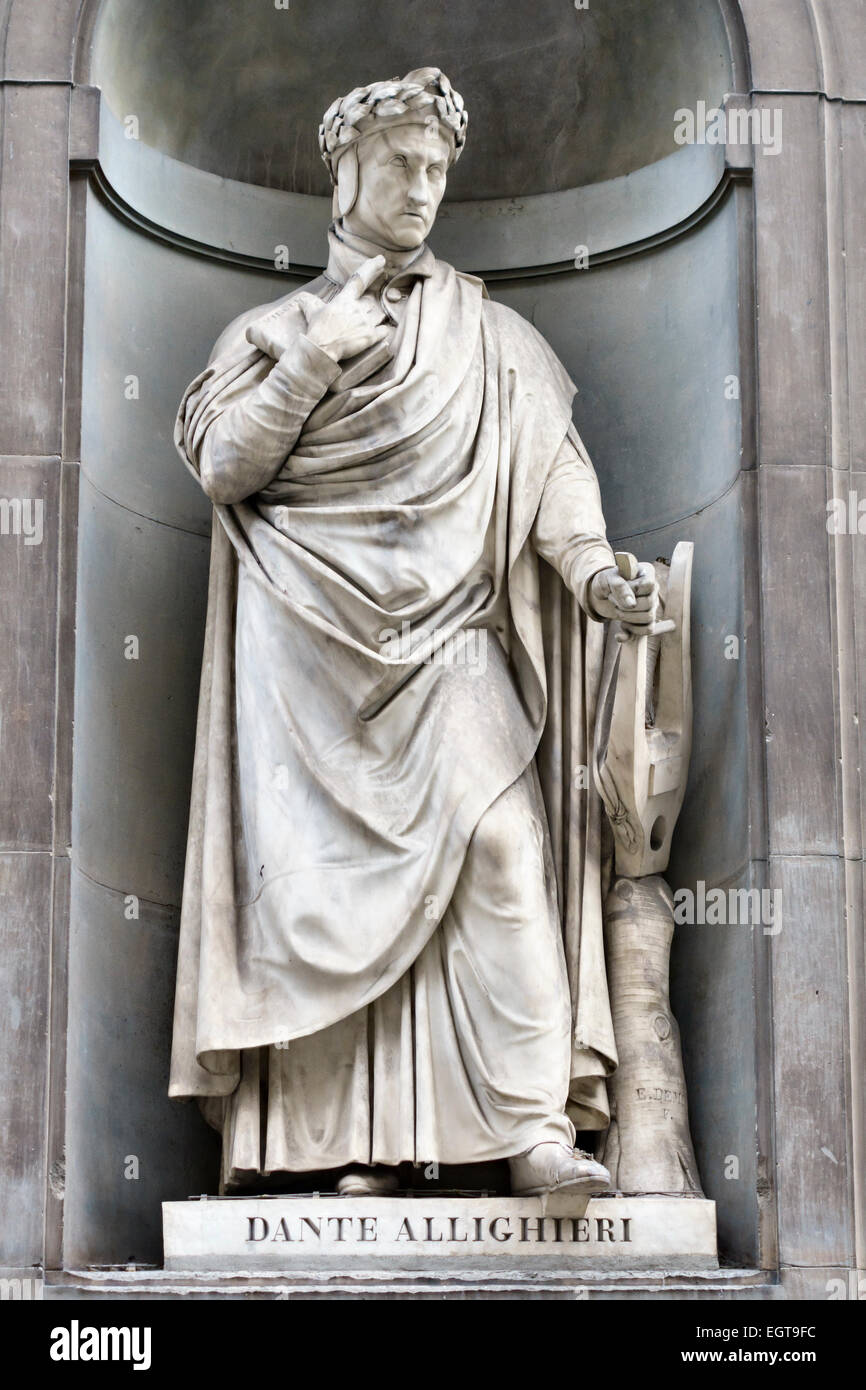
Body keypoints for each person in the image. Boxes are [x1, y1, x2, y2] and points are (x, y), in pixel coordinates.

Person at [169, 68, 658, 1198]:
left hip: (452, 644)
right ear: (345, 170)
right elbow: (223, 466)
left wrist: (591, 573)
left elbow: (551, 473)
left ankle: (533, 1126)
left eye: (438, 170)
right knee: (318, 889)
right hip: (306, 658)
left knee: (501, 851)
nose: (423, 188)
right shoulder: (271, 329)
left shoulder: (492, 337)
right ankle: (351, 1148)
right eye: (402, 165)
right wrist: (311, 357)